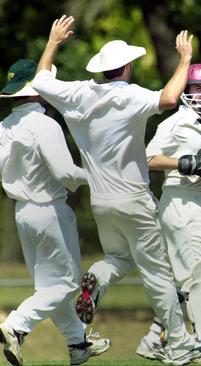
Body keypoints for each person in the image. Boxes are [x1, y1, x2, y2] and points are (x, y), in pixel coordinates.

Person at [31, 15, 201, 364]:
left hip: (102, 201)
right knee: (158, 273)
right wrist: (185, 58)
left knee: (118, 258)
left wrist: (53, 42)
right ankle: (180, 344)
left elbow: (40, 80)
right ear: (126, 67)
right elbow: (170, 98)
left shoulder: (78, 92)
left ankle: (96, 278)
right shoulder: (131, 96)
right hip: (134, 199)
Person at [0, 58, 111, 366]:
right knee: (64, 284)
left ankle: (78, 343)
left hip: (22, 212)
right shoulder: (46, 124)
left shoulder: (4, 127)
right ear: (37, 90)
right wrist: (97, 175)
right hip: (49, 210)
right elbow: (65, 173)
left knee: (51, 286)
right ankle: (15, 326)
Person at [136, 62, 201, 363]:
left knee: (182, 282)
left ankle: (153, 340)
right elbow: (147, 158)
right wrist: (186, 163)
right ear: (186, 91)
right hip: (180, 200)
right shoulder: (173, 123)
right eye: (198, 88)